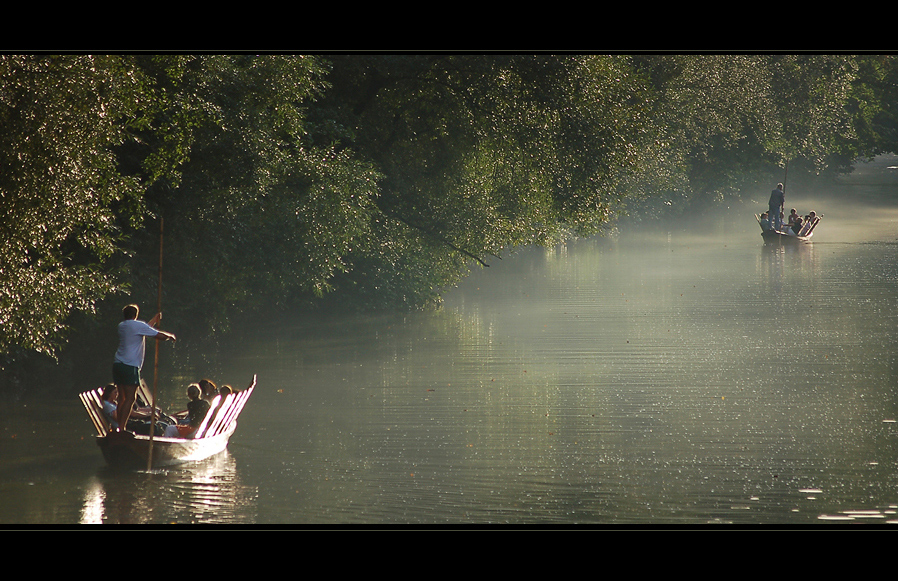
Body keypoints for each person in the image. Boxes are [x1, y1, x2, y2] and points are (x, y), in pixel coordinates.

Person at [112, 304, 176, 432]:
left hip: (118, 364)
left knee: (122, 398)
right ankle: (122, 428)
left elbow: (145, 329)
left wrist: (154, 320)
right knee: (131, 398)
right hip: (130, 366)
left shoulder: (122, 326)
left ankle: (118, 427)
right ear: (136, 314)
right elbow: (159, 336)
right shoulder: (138, 326)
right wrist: (170, 336)